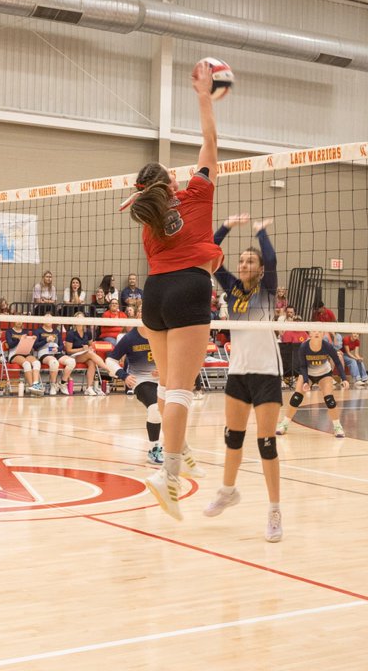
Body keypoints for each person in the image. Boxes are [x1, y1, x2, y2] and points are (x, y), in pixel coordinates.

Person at [127, 60, 223, 520]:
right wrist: (204, 96)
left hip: (154, 294)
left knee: (167, 384)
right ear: (169, 183)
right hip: (188, 289)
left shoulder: (147, 222)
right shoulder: (196, 195)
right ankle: (167, 476)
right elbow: (210, 142)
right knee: (182, 389)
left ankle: (177, 448)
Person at [205, 214, 285, 542]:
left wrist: (260, 232)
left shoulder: (267, 289)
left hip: (266, 372)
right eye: (241, 260)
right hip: (238, 371)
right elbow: (210, 253)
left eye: (250, 261)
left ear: (260, 268)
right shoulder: (232, 288)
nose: (243, 264)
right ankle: (228, 491)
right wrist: (225, 226)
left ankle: (275, 511)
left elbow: (273, 259)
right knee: (233, 437)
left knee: (266, 443)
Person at [105, 326, 171, 466]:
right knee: (154, 408)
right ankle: (154, 449)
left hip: (164, 380)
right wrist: (124, 375)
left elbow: (175, 356)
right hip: (141, 380)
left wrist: (165, 369)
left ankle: (175, 448)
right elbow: (110, 360)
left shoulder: (162, 334)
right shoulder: (130, 338)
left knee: (174, 411)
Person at [278, 331, 348, 438]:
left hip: (324, 373)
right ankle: (284, 424)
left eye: (319, 331)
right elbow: (303, 366)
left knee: (329, 399)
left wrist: (344, 378)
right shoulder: (304, 346)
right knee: (296, 397)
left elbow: (337, 362)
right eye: (314, 331)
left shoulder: (327, 346)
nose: (317, 333)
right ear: (310, 334)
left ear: (323, 334)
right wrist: (306, 381)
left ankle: (337, 426)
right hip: (308, 373)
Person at [64, 313, 107, 396]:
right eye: (78, 318)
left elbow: (91, 345)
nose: (80, 320)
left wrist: (90, 348)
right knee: (90, 354)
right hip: (74, 356)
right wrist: (82, 349)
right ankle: (107, 368)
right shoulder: (71, 333)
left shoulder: (88, 332)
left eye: (82, 318)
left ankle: (89, 388)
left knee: (92, 362)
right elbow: (68, 350)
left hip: (86, 354)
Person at [35, 321, 75, 395]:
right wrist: (46, 340)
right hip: (44, 353)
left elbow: (61, 345)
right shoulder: (38, 331)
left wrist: (58, 349)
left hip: (56, 352)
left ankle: (62, 383)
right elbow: (35, 346)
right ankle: (53, 385)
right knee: (54, 363)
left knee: (71, 362)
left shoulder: (56, 331)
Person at [4, 321, 42, 395]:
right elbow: (10, 345)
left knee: (37, 362)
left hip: (25, 352)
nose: (19, 322)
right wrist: (19, 339)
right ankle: (32, 388)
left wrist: (32, 340)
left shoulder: (25, 331)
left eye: (21, 321)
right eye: (17, 320)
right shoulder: (9, 331)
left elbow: (29, 344)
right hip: (14, 353)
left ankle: (35, 385)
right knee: (26, 364)